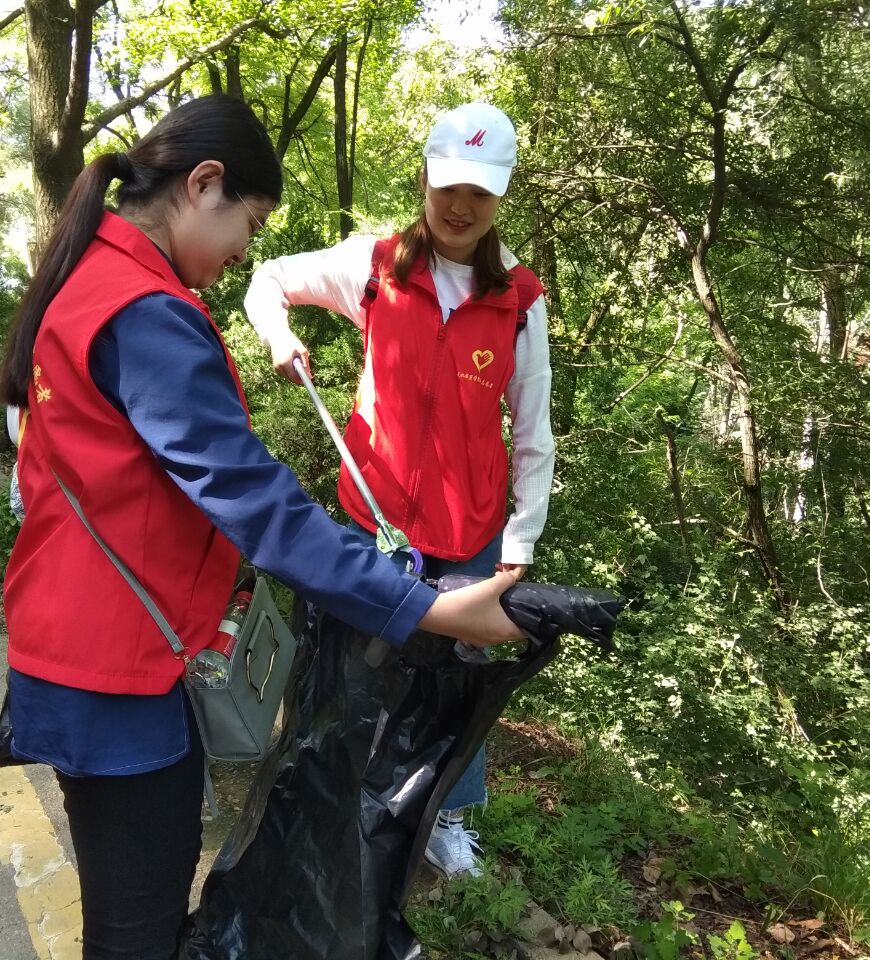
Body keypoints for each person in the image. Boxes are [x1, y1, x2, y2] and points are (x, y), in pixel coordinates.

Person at [0, 94, 525, 960]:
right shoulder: (143, 312)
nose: (247, 249)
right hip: (110, 667)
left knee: (139, 913)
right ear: (204, 184)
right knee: (136, 934)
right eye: (251, 222)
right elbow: (253, 499)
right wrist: (423, 608)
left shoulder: (98, 279)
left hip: (92, 646)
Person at [243, 102, 555, 879]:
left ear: (502, 195)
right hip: (373, 519)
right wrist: (280, 336)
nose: (460, 207)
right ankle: (341, 796)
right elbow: (267, 279)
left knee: (456, 680)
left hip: (471, 534)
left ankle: (446, 816)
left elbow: (533, 431)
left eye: (480, 193)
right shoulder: (375, 267)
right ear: (424, 179)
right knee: (358, 670)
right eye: (448, 186)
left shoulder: (520, 300)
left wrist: (519, 543)